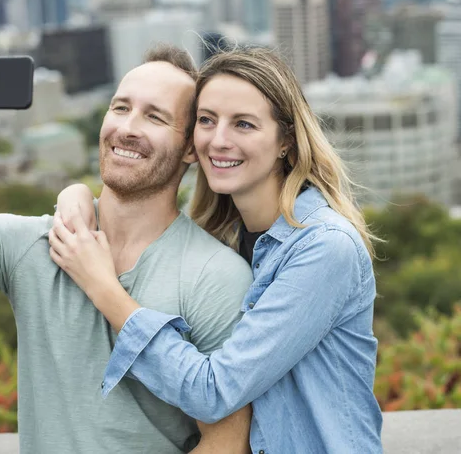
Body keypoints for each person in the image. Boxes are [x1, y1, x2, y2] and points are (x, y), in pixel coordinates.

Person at [0, 45, 255, 453]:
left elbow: (226, 442)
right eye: (120, 108)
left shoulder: (217, 277)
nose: (128, 127)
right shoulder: (31, 245)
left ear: (191, 147)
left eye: (154, 116)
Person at [51, 46, 384, 454]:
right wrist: (77, 194)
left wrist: (103, 287)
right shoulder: (224, 239)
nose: (219, 140)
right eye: (207, 120)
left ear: (286, 142)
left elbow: (214, 392)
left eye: (243, 124)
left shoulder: (323, 248)